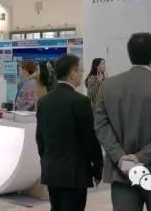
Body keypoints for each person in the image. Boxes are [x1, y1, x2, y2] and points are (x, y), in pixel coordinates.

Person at [95, 33, 151, 211]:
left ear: (130, 54)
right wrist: (140, 157)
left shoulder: (108, 86)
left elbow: (101, 126)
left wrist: (120, 157)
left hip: (122, 173)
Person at [36, 54, 103, 211]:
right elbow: (90, 139)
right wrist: (97, 168)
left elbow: (40, 138)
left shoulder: (44, 101)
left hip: (52, 171)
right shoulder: (80, 101)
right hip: (75, 174)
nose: (82, 74)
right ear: (72, 74)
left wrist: (46, 160)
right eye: (81, 71)